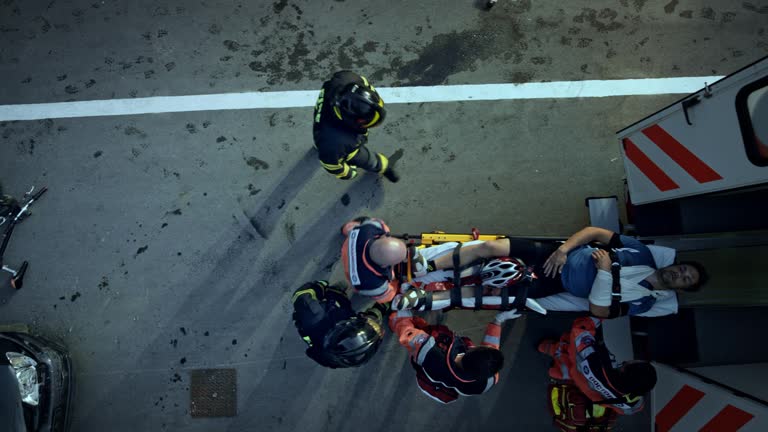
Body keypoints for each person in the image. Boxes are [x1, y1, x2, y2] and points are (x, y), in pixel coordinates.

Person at [418, 227, 707, 317]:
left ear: (678, 290)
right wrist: (563, 250)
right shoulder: (641, 254)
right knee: (491, 247)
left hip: (557, 284)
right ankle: (430, 265)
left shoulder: (644, 302)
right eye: (683, 269)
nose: (679, 274)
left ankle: (425, 296)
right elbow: (595, 232)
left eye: (685, 279)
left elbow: (599, 310)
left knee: (493, 295)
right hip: (556, 256)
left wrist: (605, 273)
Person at [389, 308, 521, 403]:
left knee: (424, 330)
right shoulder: (487, 379)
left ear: (470, 350)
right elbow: (491, 349)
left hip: (426, 367)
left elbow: (408, 336)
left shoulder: (432, 353)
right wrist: (498, 321)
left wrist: (402, 316)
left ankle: (394, 320)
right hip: (443, 386)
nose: (489, 345)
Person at [538, 317, 657, 416]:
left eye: (636, 361)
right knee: (571, 372)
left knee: (568, 348)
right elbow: (629, 410)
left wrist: (601, 315)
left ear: (624, 369)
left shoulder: (597, 362)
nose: (632, 360)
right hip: (587, 386)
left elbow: (579, 330)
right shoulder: (633, 404)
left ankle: (550, 348)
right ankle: (562, 373)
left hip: (579, 367)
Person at [312, 70, 399, 182]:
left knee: (322, 144)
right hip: (333, 143)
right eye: (365, 122)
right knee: (366, 160)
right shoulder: (337, 142)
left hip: (321, 124)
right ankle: (380, 166)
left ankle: (317, 145)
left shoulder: (346, 78)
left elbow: (364, 84)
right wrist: (348, 173)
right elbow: (330, 165)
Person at [291, 280, 387, 368]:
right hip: (334, 317)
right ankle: (380, 308)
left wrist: (321, 286)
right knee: (341, 301)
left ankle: (336, 291)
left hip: (326, 317)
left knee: (339, 297)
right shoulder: (344, 358)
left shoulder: (314, 315)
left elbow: (302, 295)